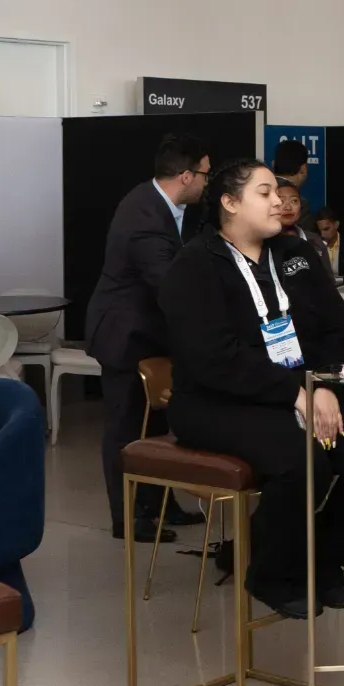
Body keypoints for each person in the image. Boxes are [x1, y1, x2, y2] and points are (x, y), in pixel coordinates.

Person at [157, 160, 344, 618]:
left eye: (279, 193)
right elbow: (213, 358)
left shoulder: (297, 253)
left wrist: (323, 385)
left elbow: (336, 326)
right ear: (230, 203)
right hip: (218, 401)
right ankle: (269, 571)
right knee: (302, 459)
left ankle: (325, 560)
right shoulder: (194, 266)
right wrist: (296, 395)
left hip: (304, 387)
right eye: (265, 193)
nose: (279, 202)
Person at [84, 133, 210, 541]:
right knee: (124, 429)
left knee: (156, 425)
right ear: (187, 176)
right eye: (205, 175)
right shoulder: (143, 214)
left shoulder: (165, 205)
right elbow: (166, 280)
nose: (208, 183)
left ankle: (160, 505)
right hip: (124, 335)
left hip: (150, 334)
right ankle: (126, 518)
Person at [277, 180, 331, 270]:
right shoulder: (262, 243)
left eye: (294, 201)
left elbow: (328, 281)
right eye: (281, 201)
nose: (288, 207)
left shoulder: (315, 241)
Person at [313, 205, 344, 284]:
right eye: (319, 230)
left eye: (326, 229)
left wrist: (337, 281)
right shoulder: (315, 247)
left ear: (336, 225)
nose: (322, 234)